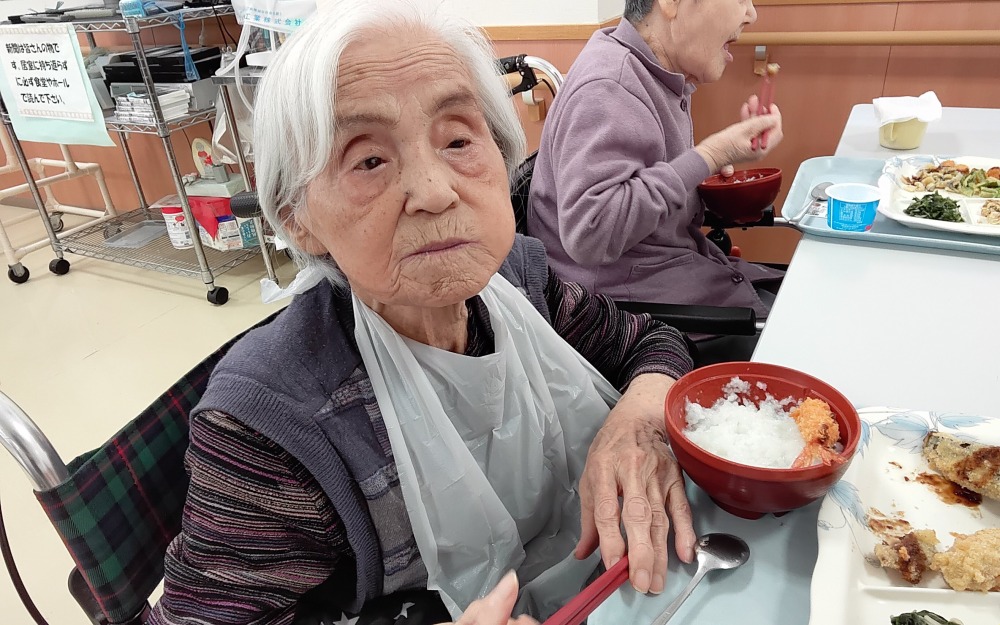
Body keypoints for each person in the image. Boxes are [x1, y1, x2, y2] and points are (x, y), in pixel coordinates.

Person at [148, 2, 697, 624]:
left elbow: (652, 345)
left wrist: (637, 425)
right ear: (297, 217)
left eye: (458, 140)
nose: (436, 193)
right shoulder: (273, 427)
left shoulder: (519, 279)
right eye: (369, 160)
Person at [528, 0, 786, 336]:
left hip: (681, 277)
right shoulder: (610, 86)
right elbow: (590, 233)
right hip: (630, 321)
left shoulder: (658, 75)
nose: (751, 14)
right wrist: (710, 154)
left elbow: (645, 188)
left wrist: (714, 186)